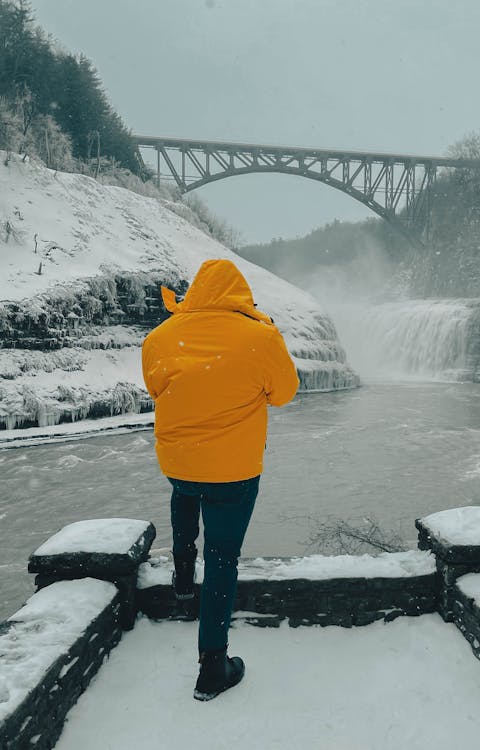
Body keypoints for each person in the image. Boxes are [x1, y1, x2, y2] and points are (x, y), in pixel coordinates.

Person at [141, 258, 299, 701]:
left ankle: (183, 575)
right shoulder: (260, 337)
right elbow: (285, 394)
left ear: (196, 293)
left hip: (179, 461)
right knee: (224, 556)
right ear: (240, 295)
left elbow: (157, 388)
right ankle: (213, 665)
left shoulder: (160, 337)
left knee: (186, 490)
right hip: (234, 469)